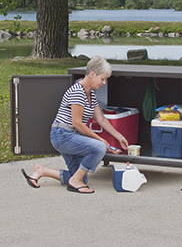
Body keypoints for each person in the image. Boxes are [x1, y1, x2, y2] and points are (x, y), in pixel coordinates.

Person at [21, 56, 128, 194]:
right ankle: (75, 181)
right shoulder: (78, 91)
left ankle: (42, 171)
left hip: (71, 136)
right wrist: (101, 140)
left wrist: (119, 136)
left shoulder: (91, 94)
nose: (104, 83)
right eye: (102, 79)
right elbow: (76, 123)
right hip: (62, 135)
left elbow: (100, 118)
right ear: (92, 74)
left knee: (81, 179)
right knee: (99, 148)